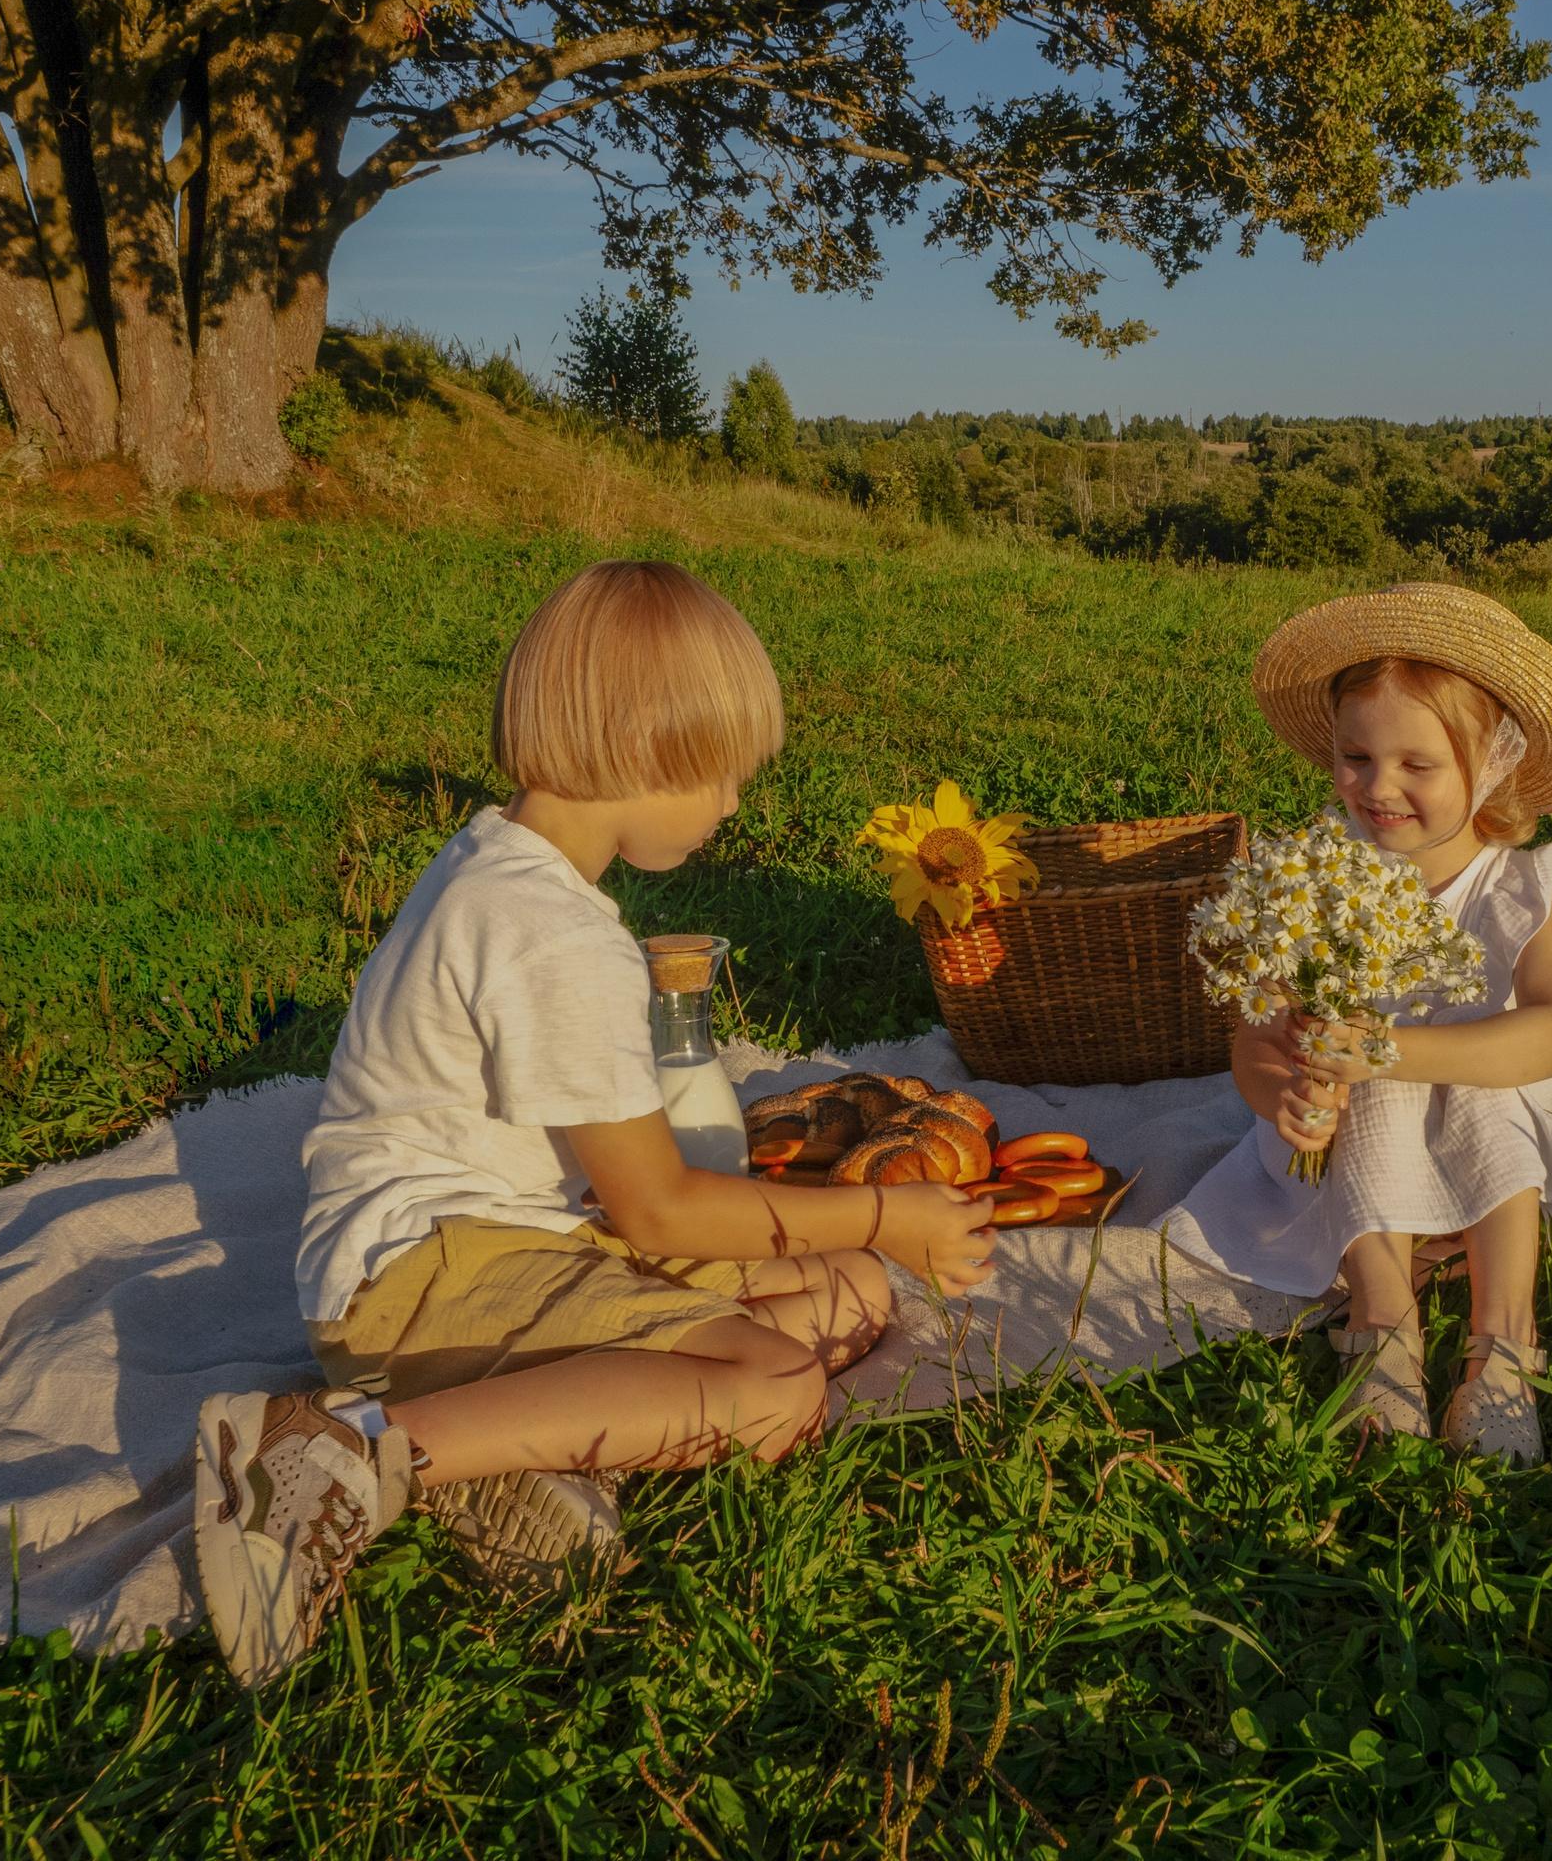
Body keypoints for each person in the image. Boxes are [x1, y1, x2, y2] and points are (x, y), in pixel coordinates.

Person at [192, 560, 999, 1686]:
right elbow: (657, 1202)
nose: (730, 806)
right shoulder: (554, 938)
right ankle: (341, 1452)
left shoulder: (498, 865)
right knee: (777, 1388)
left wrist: (869, 1242)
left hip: (498, 1246)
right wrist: (884, 1209)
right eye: (721, 775)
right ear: (641, 748)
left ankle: (533, 1448)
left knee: (853, 1293)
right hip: (419, 1276)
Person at [1154, 581, 1552, 1463]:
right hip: (1348, 1163)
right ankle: (1384, 1319)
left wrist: (1393, 1050)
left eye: (1418, 765)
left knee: (1477, 1081)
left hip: (1493, 1161)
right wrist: (1281, 1099)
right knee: (1355, 1085)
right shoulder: (1310, 879)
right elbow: (1258, 1041)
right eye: (1355, 757)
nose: (1379, 787)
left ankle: (1504, 1340)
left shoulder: (1519, 890)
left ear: (1491, 765)